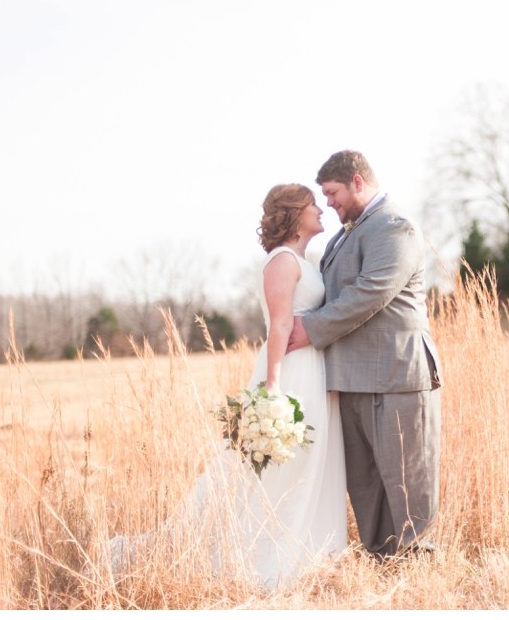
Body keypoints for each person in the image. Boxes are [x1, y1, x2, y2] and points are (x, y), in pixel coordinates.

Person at [107, 184, 347, 589]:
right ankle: (263, 558)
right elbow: (281, 325)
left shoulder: (307, 262)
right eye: (311, 205)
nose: (321, 210)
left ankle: (309, 554)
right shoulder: (282, 262)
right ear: (293, 214)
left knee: (311, 461)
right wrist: (272, 387)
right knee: (274, 468)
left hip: (314, 369)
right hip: (291, 372)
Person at [287, 149, 442, 561]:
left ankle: (417, 563)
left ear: (357, 181)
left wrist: (310, 329)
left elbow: (371, 292)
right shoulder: (344, 234)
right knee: (365, 481)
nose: (328, 203)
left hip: (395, 374)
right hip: (349, 378)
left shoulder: (394, 227)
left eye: (332, 192)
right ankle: (383, 559)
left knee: (407, 477)